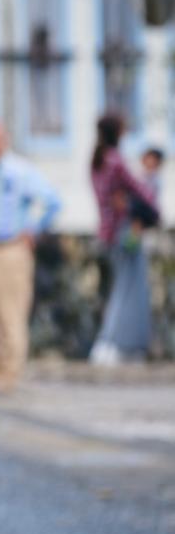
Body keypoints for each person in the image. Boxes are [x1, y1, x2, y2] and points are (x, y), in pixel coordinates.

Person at [0, 119, 61, 393]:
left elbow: (51, 202)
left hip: (11, 248)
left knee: (10, 315)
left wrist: (32, 229)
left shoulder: (20, 171)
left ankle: (8, 375)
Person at [88, 114, 161, 364]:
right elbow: (141, 192)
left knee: (124, 287)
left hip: (107, 232)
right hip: (126, 232)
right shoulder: (116, 161)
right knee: (127, 288)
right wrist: (147, 201)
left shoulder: (96, 161)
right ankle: (111, 342)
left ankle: (124, 344)